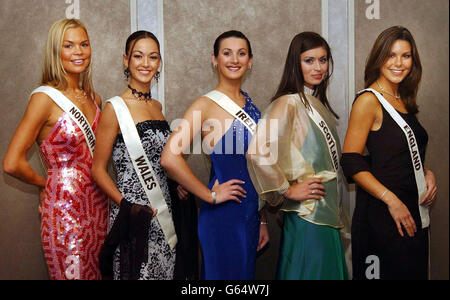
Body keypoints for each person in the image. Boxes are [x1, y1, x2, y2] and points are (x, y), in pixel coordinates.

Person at [3, 19, 108, 280]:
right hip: (64, 211)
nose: (79, 52)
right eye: (69, 46)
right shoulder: (44, 98)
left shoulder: (94, 98)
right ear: (55, 51)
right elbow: (12, 162)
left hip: (98, 209)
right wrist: (45, 185)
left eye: (84, 44)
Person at [161, 30, 268, 280]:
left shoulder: (251, 105)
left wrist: (262, 219)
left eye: (241, 53)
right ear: (214, 59)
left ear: (250, 60)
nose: (234, 59)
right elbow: (169, 157)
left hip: (250, 215)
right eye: (226, 53)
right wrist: (208, 195)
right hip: (223, 218)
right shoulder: (205, 105)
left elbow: (257, 169)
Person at [91, 30, 193, 280]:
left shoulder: (157, 107)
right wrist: (127, 206)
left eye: (153, 57)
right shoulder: (114, 108)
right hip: (133, 215)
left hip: (163, 214)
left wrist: (175, 183)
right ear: (126, 60)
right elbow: (97, 169)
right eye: (138, 56)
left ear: (159, 63)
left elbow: (159, 161)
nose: (146, 64)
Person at [247, 32, 349, 280]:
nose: (318, 67)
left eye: (323, 60)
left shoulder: (317, 104)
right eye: (309, 60)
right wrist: (286, 190)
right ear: (295, 63)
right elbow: (257, 151)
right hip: (308, 216)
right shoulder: (288, 103)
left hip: (325, 215)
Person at [341, 26, 437, 280]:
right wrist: (392, 201)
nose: (398, 63)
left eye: (406, 56)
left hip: (411, 215)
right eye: (391, 55)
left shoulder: (402, 99)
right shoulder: (368, 100)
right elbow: (350, 160)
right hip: (383, 217)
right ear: (378, 58)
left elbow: (397, 155)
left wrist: (427, 173)